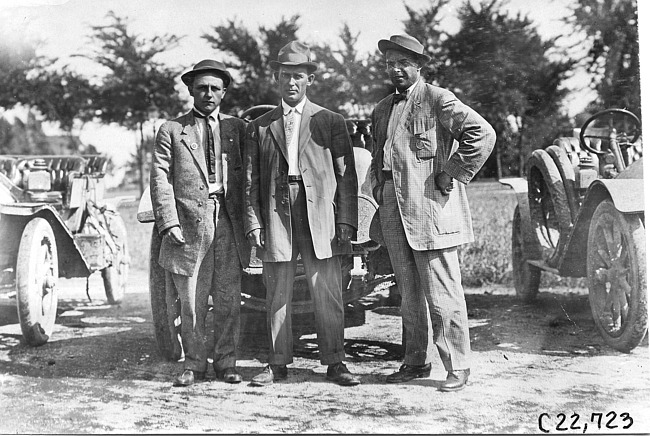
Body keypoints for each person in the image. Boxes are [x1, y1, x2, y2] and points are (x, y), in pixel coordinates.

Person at [369, 34, 496, 392]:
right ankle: (414, 361)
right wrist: (379, 189)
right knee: (407, 294)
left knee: (442, 293)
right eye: (390, 63)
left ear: (419, 66)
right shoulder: (381, 109)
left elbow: (482, 134)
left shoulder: (438, 98)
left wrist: (449, 172)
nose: (395, 70)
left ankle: (458, 366)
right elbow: (380, 155)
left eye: (403, 64)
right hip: (394, 209)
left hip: (431, 210)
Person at [244, 41, 360, 387]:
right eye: (285, 76)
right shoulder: (261, 126)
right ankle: (277, 364)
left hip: (320, 212)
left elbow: (346, 176)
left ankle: (335, 362)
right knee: (277, 291)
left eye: (298, 76)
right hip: (276, 211)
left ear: (310, 79)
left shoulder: (330, 121)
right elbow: (251, 181)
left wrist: (345, 221)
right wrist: (254, 222)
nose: (291, 82)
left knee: (326, 290)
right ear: (276, 78)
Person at [150, 59, 250, 387]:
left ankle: (226, 362)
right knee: (192, 298)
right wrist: (169, 223)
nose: (208, 93)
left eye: (215, 88)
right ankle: (194, 364)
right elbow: (160, 178)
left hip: (228, 220)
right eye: (202, 87)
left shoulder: (238, 129)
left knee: (227, 297)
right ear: (191, 89)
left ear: (224, 93)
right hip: (190, 224)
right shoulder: (172, 130)